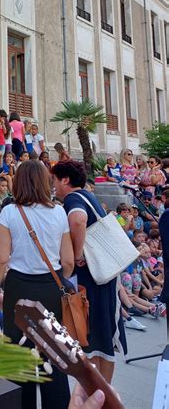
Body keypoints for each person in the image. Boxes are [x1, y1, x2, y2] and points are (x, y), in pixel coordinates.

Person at [0, 160, 74, 409]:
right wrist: (56, 276)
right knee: (54, 354)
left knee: (19, 354)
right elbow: (67, 260)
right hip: (51, 285)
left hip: (19, 287)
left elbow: (1, 258)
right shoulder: (59, 211)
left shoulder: (10, 212)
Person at [52, 159, 125, 383]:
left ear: (65, 180)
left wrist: (76, 254)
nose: (53, 184)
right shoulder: (88, 195)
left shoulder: (73, 198)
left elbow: (78, 220)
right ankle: (104, 392)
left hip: (93, 279)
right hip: (105, 276)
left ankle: (95, 394)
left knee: (92, 337)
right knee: (104, 337)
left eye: (55, 179)